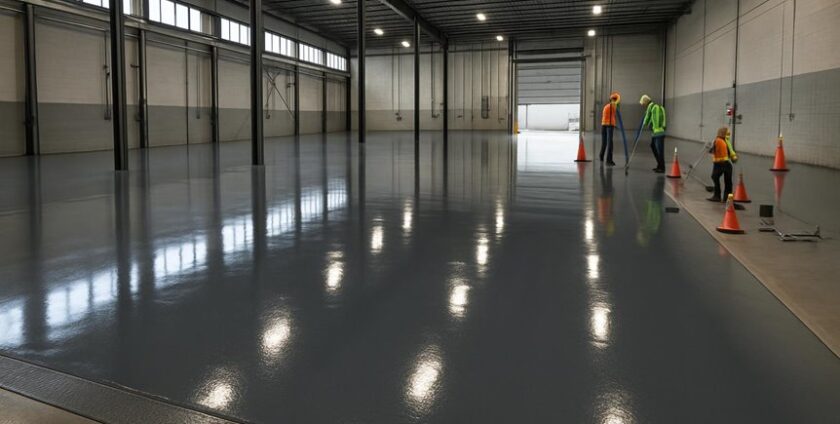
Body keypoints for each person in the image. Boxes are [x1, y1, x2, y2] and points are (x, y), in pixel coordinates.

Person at [708, 126, 737, 202]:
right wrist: (734, 157)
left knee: (714, 177)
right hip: (727, 164)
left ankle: (717, 196)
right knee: (728, 182)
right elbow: (730, 152)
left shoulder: (717, 140)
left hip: (719, 163)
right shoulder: (726, 142)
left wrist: (709, 148)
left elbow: (712, 150)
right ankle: (727, 199)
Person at [639, 94, 667, 173]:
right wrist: (648, 124)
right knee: (653, 146)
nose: (643, 105)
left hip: (658, 132)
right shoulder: (653, 107)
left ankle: (662, 167)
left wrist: (644, 124)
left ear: (645, 102)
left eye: (643, 103)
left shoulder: (652, 107)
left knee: (659, 150)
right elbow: (651, 119)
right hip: (656, 132)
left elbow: (648, 117)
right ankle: (659, 165)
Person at [600, 92, 620, 166]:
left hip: (603, 125)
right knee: (610, 143)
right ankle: (609, 160)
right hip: (609, 126)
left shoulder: (606, 106)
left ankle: (601, 156)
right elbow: (617, 99)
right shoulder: (613, 105)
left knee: (604, 142)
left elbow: (608, 116)